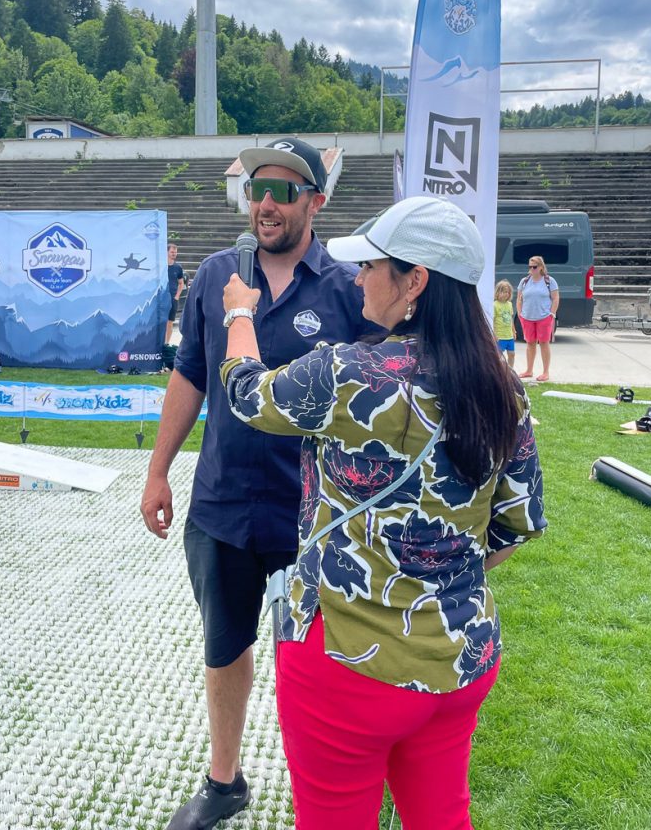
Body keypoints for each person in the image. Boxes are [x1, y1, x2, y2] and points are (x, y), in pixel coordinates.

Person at [220, 196, 546, 830]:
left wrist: (239, 311)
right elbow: (510, 527)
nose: (358, 277)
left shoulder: (350, 373)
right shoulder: (504, 387)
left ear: (415, 281)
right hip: (459, 657)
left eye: (372, 264)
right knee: (441, 817)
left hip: (346, 667)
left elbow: (245, 391)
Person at [140, 138, 378, 830]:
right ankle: (225, 780)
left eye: (282, 191)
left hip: (320, 515)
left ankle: (345, 782)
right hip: (224, 505)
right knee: (226, 646)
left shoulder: (347, 288)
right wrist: (158, 471)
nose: (266, 203)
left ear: (316, 201)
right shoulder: (217, 276)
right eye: (256, 190)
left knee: (335, 656)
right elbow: (190, 375)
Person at [516, 255, 559, 382]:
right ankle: (529, 370)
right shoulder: (524, 281)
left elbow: (555, 298)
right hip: (527, 317)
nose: (531, 269)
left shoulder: (549, 281)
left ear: (541, 267)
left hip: (544, 317)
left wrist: (552, 314)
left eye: (534, 267)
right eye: (530, 266)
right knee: (530, 343)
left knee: (544, 343)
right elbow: (519, 298)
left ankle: (546, 372)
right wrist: (520, 313)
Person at [165, 241, 186, 345]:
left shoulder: (178, 267)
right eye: (172, 252)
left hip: (173, 298)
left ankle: (166, 343)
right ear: (167, 252)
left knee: (170, 322)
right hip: (161, 297)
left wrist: (177, 296)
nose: (174, 254)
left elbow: (181, 283)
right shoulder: (162, 267)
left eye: (175, 252)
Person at [493, 279, 516, 368]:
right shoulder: (495, 305)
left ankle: (511, 371)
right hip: (500, 336)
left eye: (508, 292)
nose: (506, 294)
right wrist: (494, 334)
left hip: (509, 336)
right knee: (499, 356)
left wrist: (513, 331)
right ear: (498, 292)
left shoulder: (509, 304)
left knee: (512, 354)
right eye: (503, 292)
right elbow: (493, 321)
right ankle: (498, 371)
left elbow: (511, 318)